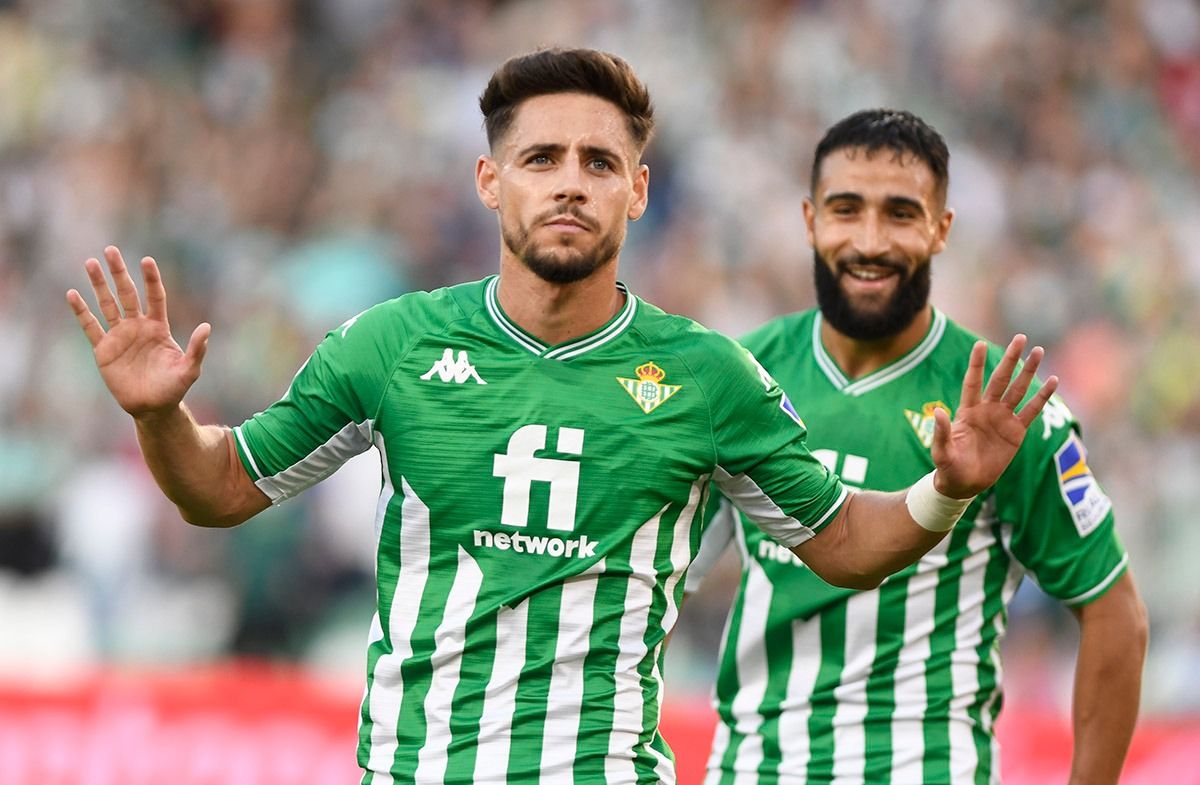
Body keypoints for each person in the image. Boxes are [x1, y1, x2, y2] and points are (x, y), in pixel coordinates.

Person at [66, 51, 1055, 785]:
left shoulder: (709, 377)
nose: (572, 181)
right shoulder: (393, 344)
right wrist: (162, 418)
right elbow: (221, 487)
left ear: (638, 190)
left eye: (599, 161)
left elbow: (842, 541)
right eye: (542, 157)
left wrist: (944, 490)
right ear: (491, 181)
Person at [687, 109, 1149, 785]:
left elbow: (1115, 614)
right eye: (847, 209)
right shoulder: (740, 377)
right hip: (754, 769)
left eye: (901, 214)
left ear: (941, 229)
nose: (870, 241)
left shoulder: (1003, 407)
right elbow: (657, 582)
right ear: (811, 220)